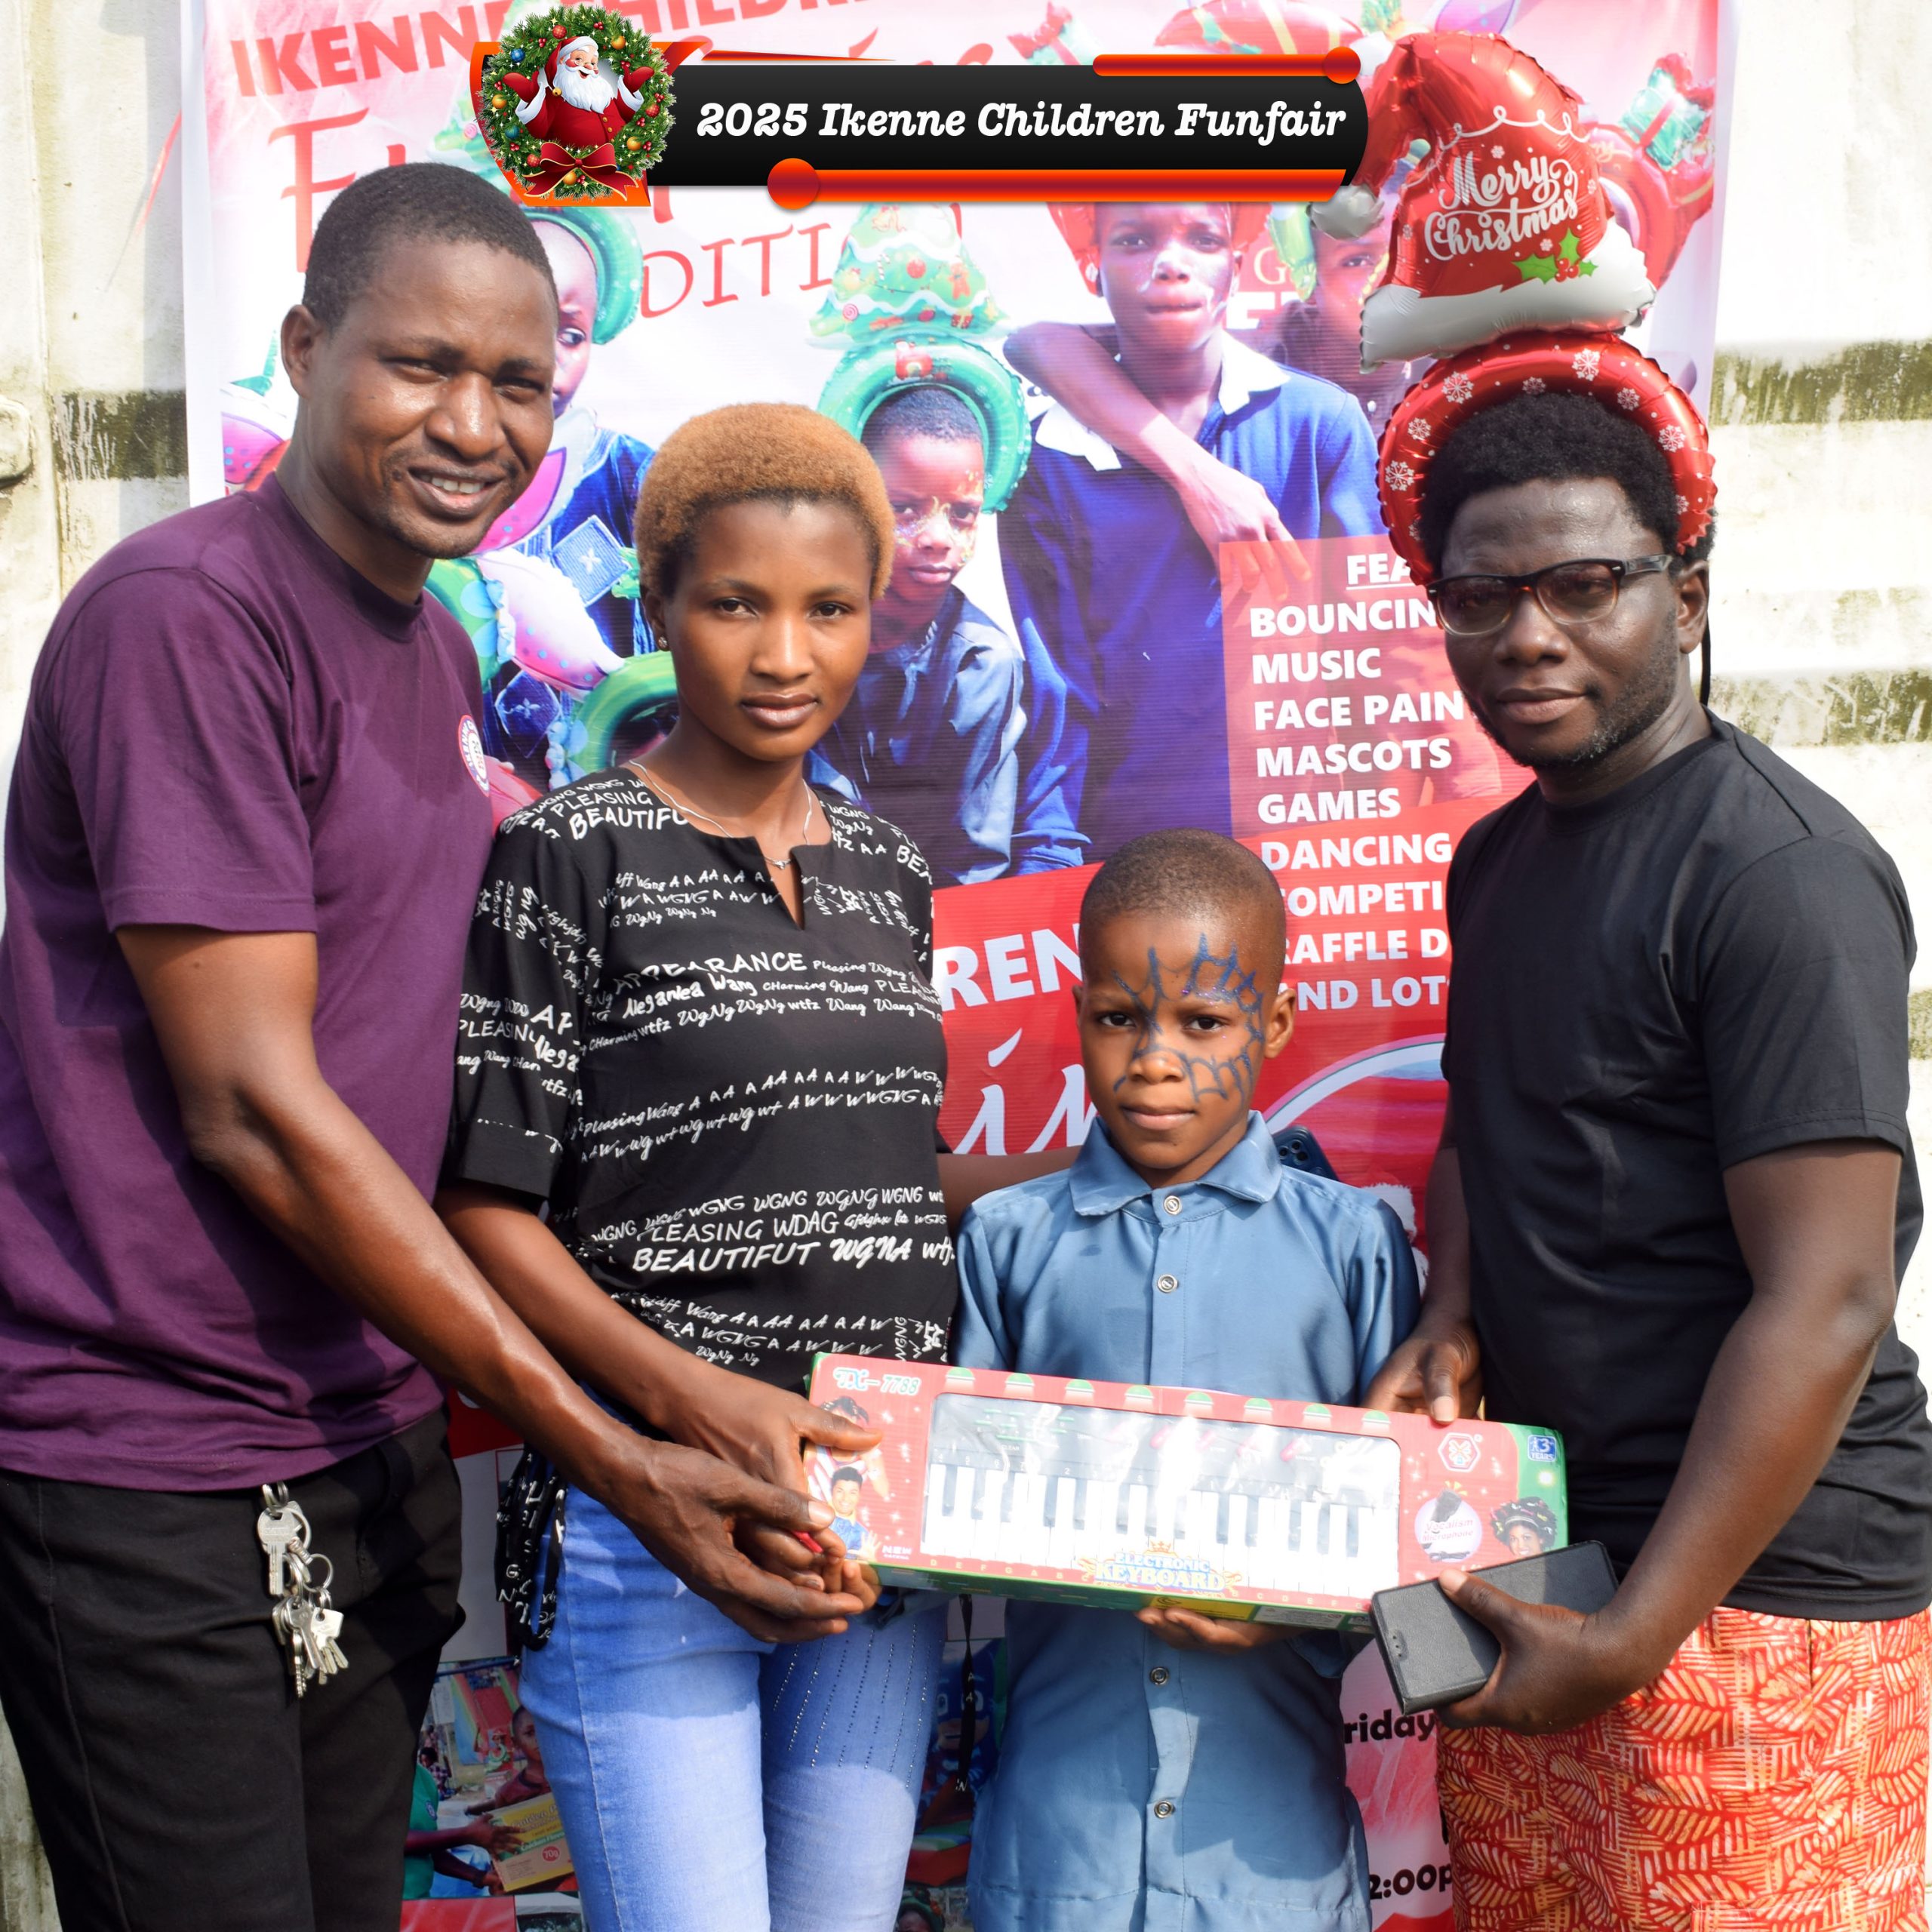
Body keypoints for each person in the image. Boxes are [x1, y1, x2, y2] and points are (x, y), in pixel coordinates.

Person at [0, 165, 856, 1932]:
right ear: (306, 348)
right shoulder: (191, 616)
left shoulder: (424, 654)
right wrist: (614, 1449)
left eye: (518, 381)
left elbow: (442, 1101)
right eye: (419, 365)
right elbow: (255, 1109)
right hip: (150, 1461)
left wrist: (693, 1390)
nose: (473, 425)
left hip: (359, 1427)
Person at [437, 403, 1060, 1930]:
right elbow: (486, 1208)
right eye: (735, 604)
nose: (785, 654)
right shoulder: (568, 851)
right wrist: (695, 1401)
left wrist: (1101, 1173)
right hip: (650, 1515)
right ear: (658, 607)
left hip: (867, 1510)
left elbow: (881, 1175)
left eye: (828, 609)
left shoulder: (888, 873)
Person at [1365, 391, 1932, 1930]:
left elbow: (1826, 1296)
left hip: (1757, 1596)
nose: (1527, 636)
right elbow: (1483, 1124)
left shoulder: (1781, 877)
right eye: (1479, 597)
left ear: (1683, 597)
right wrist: (1452, 1311)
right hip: (1542, 1564)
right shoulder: (1495, 859)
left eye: (1583, 585)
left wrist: (1634, 1635)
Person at [952, 828, 1420, 1930]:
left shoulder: (1353, 1247)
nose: (1155, 1061)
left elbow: (1416, 1537)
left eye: (1203, 1023)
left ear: (1276, 1024)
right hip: (1057, 1854)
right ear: (1078, 1016)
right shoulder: (1007, 1241)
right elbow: (949, 1511)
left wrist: (1293, 1606)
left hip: (1269, 1862)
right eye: (1120, 1018)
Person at [999, 202, 1383, 860]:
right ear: (1093, 266)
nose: (1171, 264)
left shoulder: (1319, 424)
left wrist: (1390, 846)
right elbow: (1059, 690)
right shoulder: (1048, 459)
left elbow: (1381, 666)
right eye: (1135, 241)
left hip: (1307, 847)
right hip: (1130, 855)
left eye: (1203, 239)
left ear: (1238, 262)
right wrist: (1049, 863)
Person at [810, 383, 1026, 886]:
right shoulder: (798, 632)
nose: (937, 539)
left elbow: (972, 856)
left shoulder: (982, 662)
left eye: (962, 514)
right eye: (904, 508)